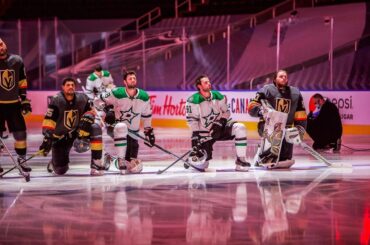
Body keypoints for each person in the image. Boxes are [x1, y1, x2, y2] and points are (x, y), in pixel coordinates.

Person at [39, 77, 104, 176]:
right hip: (60, 138)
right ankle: (54, 163)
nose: (70, 87)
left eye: (72, 85)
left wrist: (89, 118)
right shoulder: (56, 100)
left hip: (77, 132)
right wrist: (47, 138)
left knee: (95, 128)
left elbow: (91, 112)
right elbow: (49, 121)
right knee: (61, 170)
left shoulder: (82, 98)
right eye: (68, 85)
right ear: (63, 87)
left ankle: (96, 163)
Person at [94, 70, 155, 174]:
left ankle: (111, 159)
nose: (132, 80)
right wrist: (107, 110)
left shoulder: (144, 97)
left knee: (131, 165)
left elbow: (146, 115)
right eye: (130, 78)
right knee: (121, 128)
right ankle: (118, 159)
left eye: (134, 78)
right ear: (125, 82)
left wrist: (148, 131)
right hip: (116, 128)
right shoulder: (116, 93)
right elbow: (97, 100)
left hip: (133, 133)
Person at [185, 75, 250, 171]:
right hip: (204, 133)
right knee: (202, 165)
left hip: (220, 128)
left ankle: (241, 160)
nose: (209, 84)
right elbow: (192, 119)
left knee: (240, 128)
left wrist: (220, 123)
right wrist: (195, 135)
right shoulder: (193, 100)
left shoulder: (218, 96)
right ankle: (193, 161)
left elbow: (226, 112)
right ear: (199, 86)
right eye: (205, 82)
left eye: (209, 81)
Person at [248, 69, 307, 167]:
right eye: (281, 76)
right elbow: (251, 106)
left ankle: (271, 153)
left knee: (285, 158)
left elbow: (301, 114)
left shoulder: (295, 93)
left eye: (285, 76)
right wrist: (262, 111)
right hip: (268, 126)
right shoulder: (266, 90)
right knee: (272, 154)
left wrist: (299, 131)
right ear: (274, 79)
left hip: (286, 128)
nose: (284, 78)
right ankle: (263, 153)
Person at [0, 38, 32, 173]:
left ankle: (21, 160)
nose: (0, 48)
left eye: (1, 44)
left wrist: (24, 99)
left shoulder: (17, 60)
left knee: (20, 134)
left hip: (14, 105)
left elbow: (22, 80)